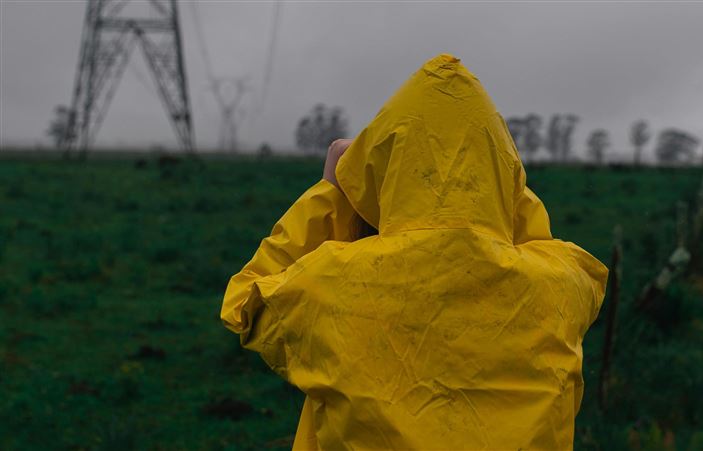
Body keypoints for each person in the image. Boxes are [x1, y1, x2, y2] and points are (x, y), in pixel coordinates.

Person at [220, 53, 608, 450]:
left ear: (380, 168)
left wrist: (333, 193)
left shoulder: (329, 285)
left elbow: (245, 302)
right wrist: (507, 192)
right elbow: (538, 245)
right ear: (503, 172)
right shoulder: (561, 286)